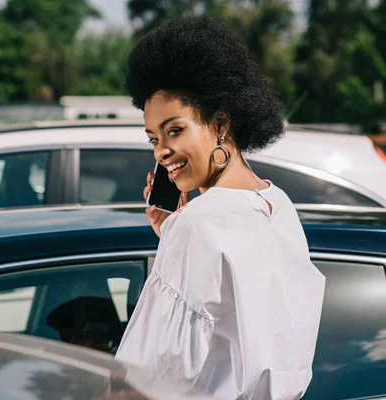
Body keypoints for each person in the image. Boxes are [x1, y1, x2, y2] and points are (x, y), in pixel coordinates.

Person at [114, 16, 326, 400]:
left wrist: (181, 234)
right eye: (152, 138)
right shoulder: (277, 204)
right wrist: (173, 234)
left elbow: (147, 378)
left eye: (174, 130)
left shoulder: (199, 224)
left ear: (221, 122)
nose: (161, 150)